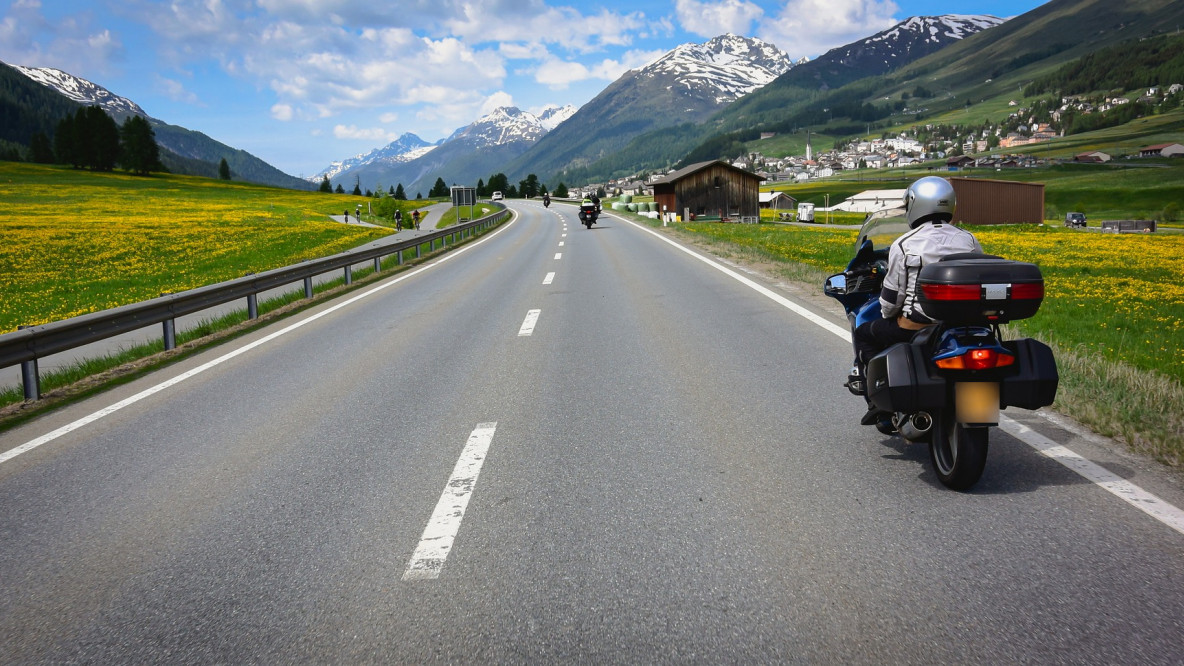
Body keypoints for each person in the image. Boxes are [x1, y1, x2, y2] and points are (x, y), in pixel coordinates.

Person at [851, 176, 983, 421]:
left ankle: (879, 398)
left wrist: (889, 314)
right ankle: (976, 412)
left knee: (864, 333)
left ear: (915, 204)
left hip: (916, 327)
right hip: (962, 326)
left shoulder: (904, 244)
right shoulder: (970, 240)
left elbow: (891, 302)